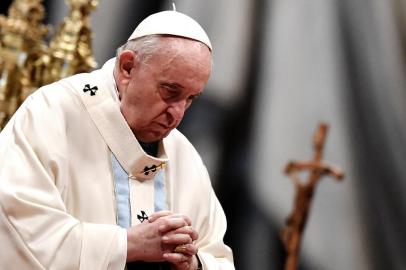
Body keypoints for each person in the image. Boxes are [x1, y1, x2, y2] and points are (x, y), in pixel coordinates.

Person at [0, 10, 234, 270]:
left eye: (190, 99)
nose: (177, 114)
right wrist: (127, 244)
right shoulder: (52, 114)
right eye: (170, 91)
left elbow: (218, 256)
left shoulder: (183, 154)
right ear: (127, 67)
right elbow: (18, 228)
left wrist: (192, 263)